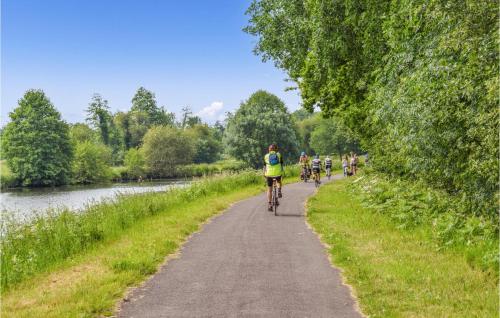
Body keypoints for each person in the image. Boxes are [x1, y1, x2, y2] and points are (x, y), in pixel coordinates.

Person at [264, 144, 284, 211]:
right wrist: (282, 172)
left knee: (269, 189)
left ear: (269, 149)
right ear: (276, 149)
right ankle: (279, 190)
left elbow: (264, 166)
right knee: (279, 181)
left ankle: (269, 204)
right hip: (277, 173)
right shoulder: (279, 155)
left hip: (269, 174)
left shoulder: (266, 156)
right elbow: (281, 164)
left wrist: (264, 173)